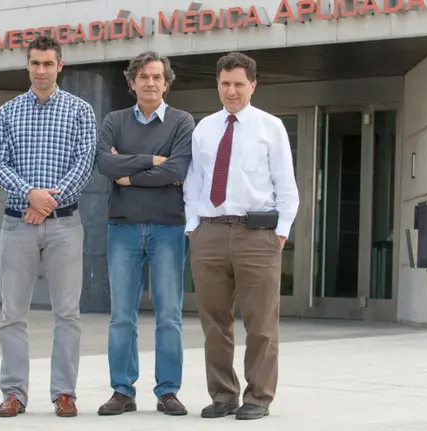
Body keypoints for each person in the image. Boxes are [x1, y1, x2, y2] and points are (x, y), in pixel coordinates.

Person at [183, 51, 299, 421]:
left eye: (238, 84)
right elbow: (193, 183)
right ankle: (223, 395)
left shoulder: (271, 127)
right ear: (217, 84)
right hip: (210, 233)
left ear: (253, 85)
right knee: (214, 322)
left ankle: (258, 398)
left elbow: (287, 187)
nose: (231, 91)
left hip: (256, 235)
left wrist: (280, 233)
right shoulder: (204, 128)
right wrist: (193, 228)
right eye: (225, 84)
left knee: (260, 323)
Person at [0, 34, 97, 418]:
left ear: (60, 66)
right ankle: (13, 393)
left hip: (65, 226)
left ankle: (64, 392)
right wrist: (30, 194)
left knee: (67, 313)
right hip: (17, 225)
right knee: (12, 313)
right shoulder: (7, 112)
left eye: (48, 63)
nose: (41, 70)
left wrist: (47, 202)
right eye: (35, 63)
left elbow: (84, 164)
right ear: (27, 65)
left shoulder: (81, 111)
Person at [94, 51, 194, 416]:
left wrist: (129, 173)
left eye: (156, 77)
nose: (150, 82)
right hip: (123, 227)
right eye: (143, 77)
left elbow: (178, 168)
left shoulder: (182, 122)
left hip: (169, 227)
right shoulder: (114, 120)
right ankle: (122, 390)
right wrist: (152, 160)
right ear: (132, 82)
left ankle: (168, 391)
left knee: (169, 313)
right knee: (122, 314)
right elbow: (104, 162)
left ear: (167, 83)